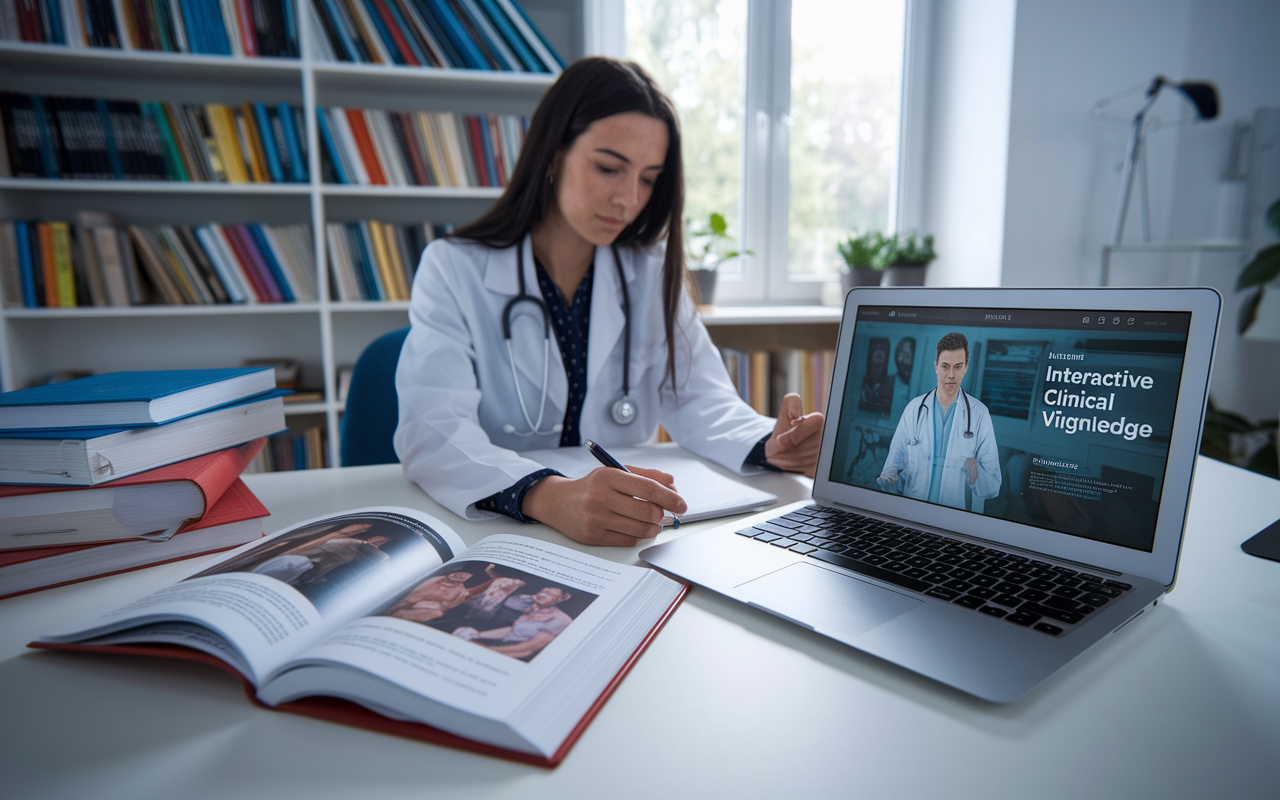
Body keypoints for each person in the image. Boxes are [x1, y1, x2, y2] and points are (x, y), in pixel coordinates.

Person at [395, 57, 823, 547]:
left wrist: (771, 445)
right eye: (608, 168)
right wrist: (548, 495)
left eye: (647, 178)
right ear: (553, 154)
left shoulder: (649, 268)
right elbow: (432, 429)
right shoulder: (453, 267)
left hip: (623, 531)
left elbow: (699, 397)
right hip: (500, 528)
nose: (628, 198)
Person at [877, 332, 1001, 511]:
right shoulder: (914, 409)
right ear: (936, 367)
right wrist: (890, 480)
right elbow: (894, 469)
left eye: (958, 367)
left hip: (957, 523)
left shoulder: (980, 414)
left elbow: (993, 486)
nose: (951, 375)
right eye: (945, 366)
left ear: (966, 367)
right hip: (913, 516)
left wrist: (976, 474)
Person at [451, 586, 575, 660]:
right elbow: (513, 631)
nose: (543, 594)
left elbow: (530, 647)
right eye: (544, 590)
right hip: (503, 646)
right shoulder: (531, 611)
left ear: (560, 599)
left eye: (551, 594)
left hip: (518, 655)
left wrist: (487, 650)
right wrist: (477, 634)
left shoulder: (559, 619)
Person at [387, 565, 502, 624]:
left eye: (464, 576)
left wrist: (492, 580)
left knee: (436, 612)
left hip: (430, 613)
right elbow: (415, 596)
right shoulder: (436, 580)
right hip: (406, 609)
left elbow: (470, 593)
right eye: (458, 574)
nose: (459, 576)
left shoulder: (459, 589)